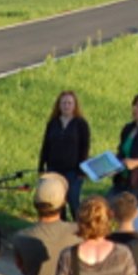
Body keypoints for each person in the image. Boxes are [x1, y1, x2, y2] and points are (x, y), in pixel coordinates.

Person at [38, 90, 91, 219]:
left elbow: (85, 148)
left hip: (73, 171)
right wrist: (41, 166)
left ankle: (79, 226)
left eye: (69, 103)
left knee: (73, 200)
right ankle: (61, 228)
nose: (66, 106)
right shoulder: (53, 123)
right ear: (59, 105)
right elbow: (46, 145)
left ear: (74, 106)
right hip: (54, 169)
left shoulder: (81, 124)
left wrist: (81, 170)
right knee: (56, 203)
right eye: (64, 103)